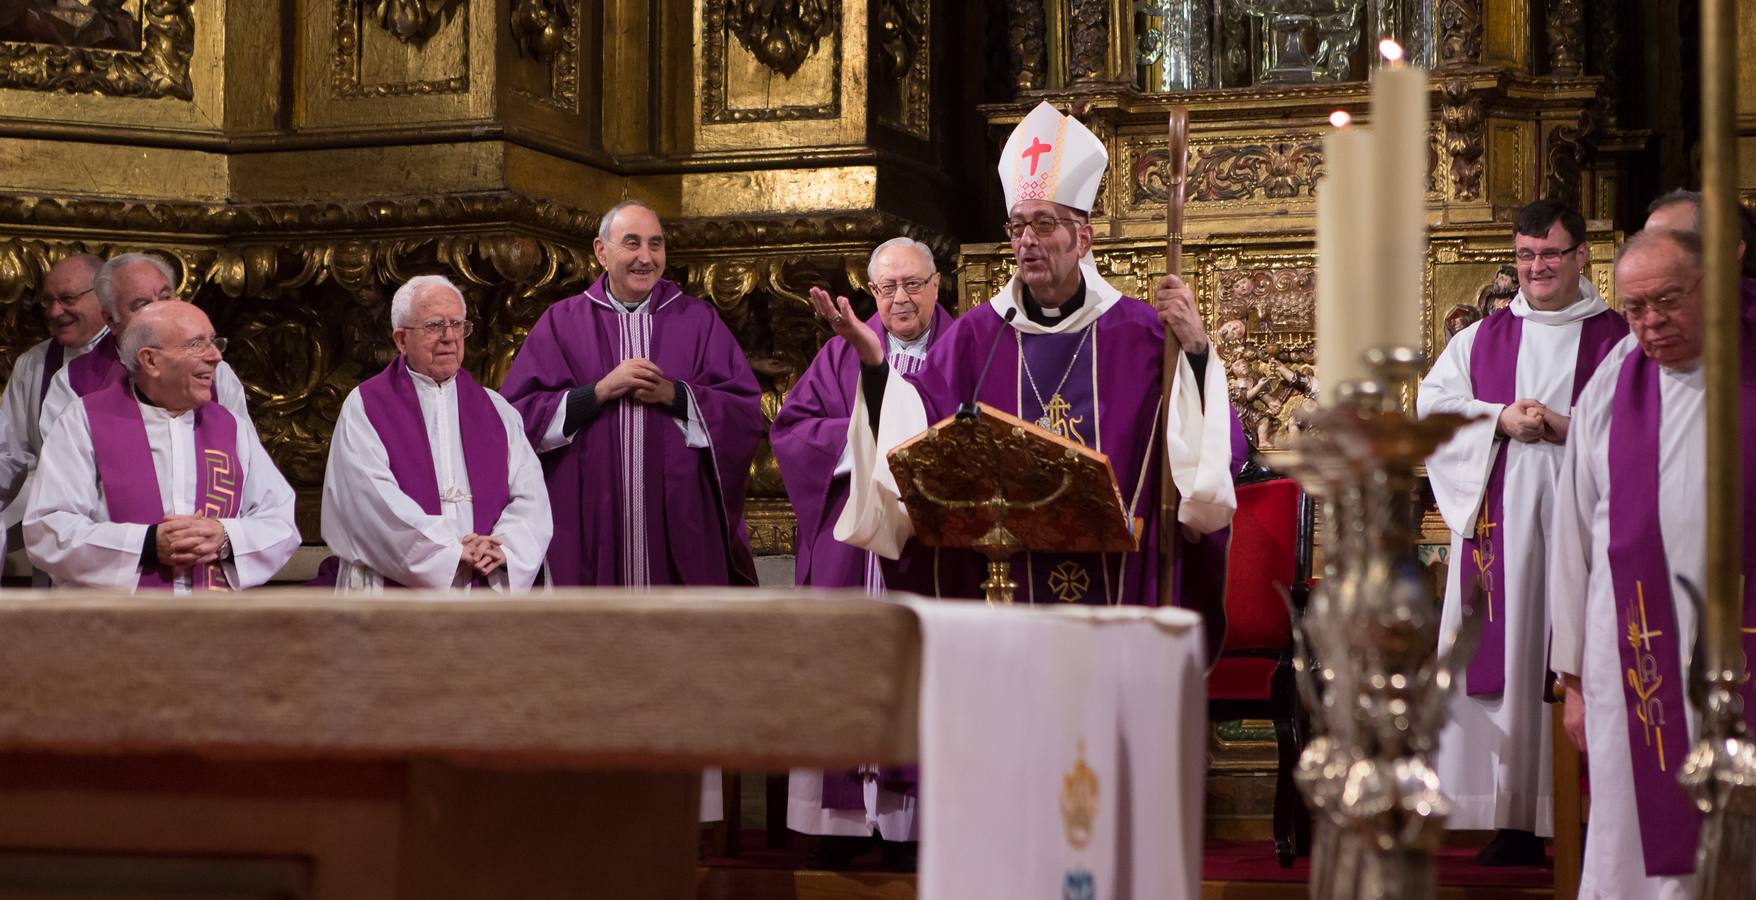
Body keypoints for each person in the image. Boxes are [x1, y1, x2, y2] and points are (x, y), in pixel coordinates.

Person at [814, 101, 1239, 628]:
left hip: (1115, 589)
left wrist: (1196, 350)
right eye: (1017, 227)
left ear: (1084, 237)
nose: (1028, 241)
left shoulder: (1144, 334)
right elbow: (917, 425)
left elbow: (1206, 455)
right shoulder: (978, 335)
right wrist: (877, 367)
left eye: (1044, 224)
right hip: (1002, 583)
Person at [1418, 199, 1628, 865]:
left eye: (1552, 254)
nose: (1538, 267)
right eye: (1527, 256)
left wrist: (1567, 426)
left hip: (1585, 530)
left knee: (1576, 654)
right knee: (1508, 656)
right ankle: (1513, 815)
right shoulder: (1480, 339)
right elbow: (1433, 409)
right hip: (1499, 529)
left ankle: (1589, 809)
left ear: (1581, 257)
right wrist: (1499, 417)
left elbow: (1641, 423)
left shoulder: (1618, 338)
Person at [1549, 227, 1751, 898]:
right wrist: (1573, 676)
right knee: (1633, 841)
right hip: (1630, 655)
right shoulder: (1615, 377)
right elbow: (1574, 529)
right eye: (1633, 308)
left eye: (1667, 300)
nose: (1650, 323)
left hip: (1740, 647)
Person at [770, 237, 952, 866]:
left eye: (912, 284)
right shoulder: (836, 353)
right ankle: (839, 825)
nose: (899, 298)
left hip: (930, 555)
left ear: (937, 285)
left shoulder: (964, 350)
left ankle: (911, 829)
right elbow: (792, 431)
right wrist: (864, 443)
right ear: (871, 292)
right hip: (849, 549)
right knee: (841, 671)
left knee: (923, 676)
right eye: (885, 288)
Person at [499, 200, 763, 587]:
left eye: (655, 245)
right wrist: (600, 392)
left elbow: (742, 411)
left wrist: (674, 396)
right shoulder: (562, 322)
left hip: (678, 520)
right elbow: (518, 417)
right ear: (601, 251)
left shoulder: (698, 320)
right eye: (632, 243)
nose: (646, 257)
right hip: (588, 521)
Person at [23, 302, 298, 591]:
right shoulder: (85, 421)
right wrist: (147, 544)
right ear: (151, 361)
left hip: (212, 624)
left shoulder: (230, 428)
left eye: (215, 342)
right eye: (196, 345)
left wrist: (225, 536)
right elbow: (48, 530)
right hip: (115, 625)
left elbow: (280, 524)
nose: (216, 356)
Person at [322, 275, 552, 593]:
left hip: (482, 587)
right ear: (401, 340)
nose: (449, 338)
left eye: (457, 325)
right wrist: (450, 552)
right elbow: (371, 504)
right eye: (433, 326)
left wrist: (504, 547)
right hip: (397, 596)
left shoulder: (497, 409)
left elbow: (530, 497)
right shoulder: (365, 407)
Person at [38, 252, 253, 441]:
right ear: (112, 320)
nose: (162, 311)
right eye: (143, 305)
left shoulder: (214, 372)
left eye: (166, 297)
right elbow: (66, 472)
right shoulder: (73, 383)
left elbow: (247, 458)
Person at [0, 253, 106, 543]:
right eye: (49, 301)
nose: (55, 312)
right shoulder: (33, 364)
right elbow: (11, 455)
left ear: (103, 296)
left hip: (123, 526)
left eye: (68, 299)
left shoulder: (136, 356)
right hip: (58, 529)